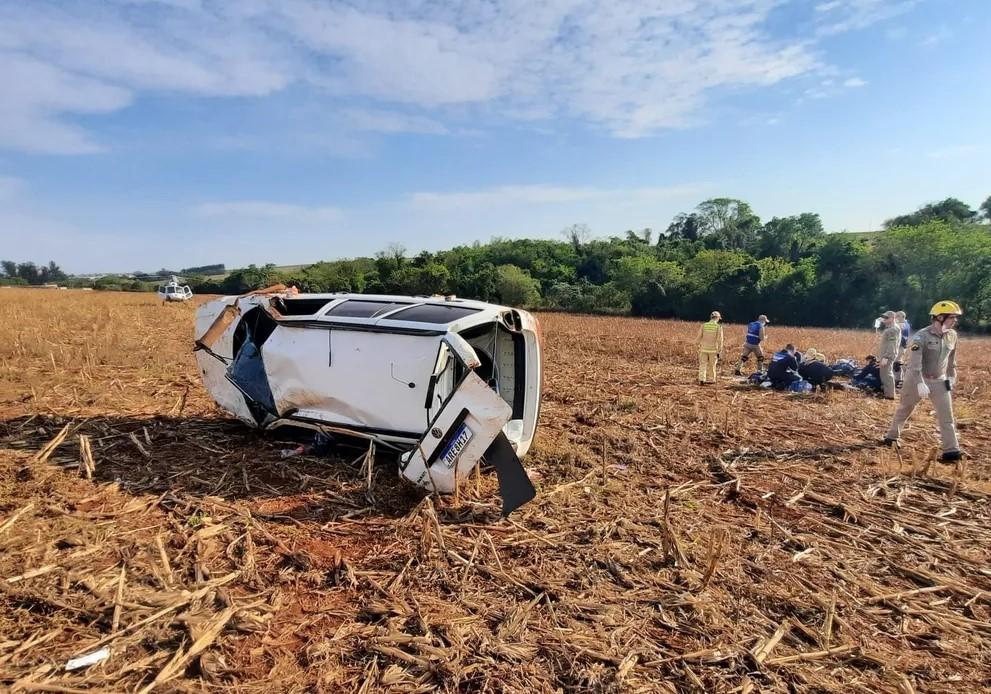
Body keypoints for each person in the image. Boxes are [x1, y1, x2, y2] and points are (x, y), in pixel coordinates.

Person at [883, 301, 963, 462]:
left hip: (940, 381)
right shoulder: (921, 336)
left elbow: (951, 359)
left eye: (955, 318)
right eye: (952, 318)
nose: (955, 321)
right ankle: (892, 436)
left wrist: (951, 376)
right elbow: (914, 363)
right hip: (916, 379)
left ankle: (951, 450)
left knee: (947, 416)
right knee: (905, 408)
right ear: (939, 318)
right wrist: (920, 383)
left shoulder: (952, 336)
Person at [876, 311, 900, 400]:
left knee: (887, 374)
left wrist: (886, 357)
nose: (884, 320)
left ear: (892, 318)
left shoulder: (892, 330)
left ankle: (889, 395)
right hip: (887, 354)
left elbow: (892, 345)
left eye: (887, 318)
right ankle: (888, 393)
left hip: (888, 355)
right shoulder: (891, 328)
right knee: (885, 374)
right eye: (884, 318)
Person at [697, 311, 724, 385]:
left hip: (703, 349)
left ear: (711, 317)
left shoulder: (704, 325)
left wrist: (697, 345)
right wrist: (719, 351)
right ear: (718, 318)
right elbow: (720, 340)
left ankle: (702, 379)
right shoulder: (718, 327)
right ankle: (712, 379)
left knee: (702, 364)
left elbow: (699, 337)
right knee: (712, 365)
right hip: (713, 350)